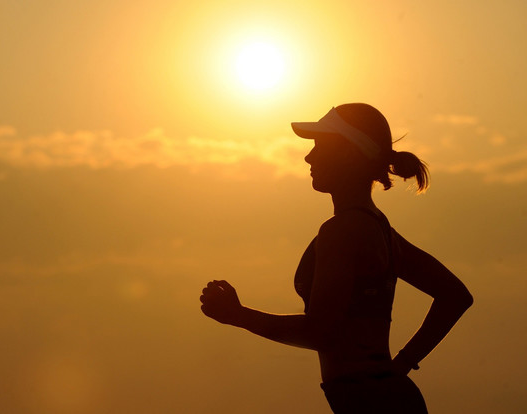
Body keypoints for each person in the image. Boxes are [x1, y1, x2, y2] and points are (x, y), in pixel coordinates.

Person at [199, 103, 473, 413]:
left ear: (348, 153)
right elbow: (455, 295)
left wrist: (238, 316)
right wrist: (403, 363)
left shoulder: (342, 230)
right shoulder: (379, 228)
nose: (308, 157)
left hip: (369, 401)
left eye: (320, 146)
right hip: (383, 395)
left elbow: (321, 332)